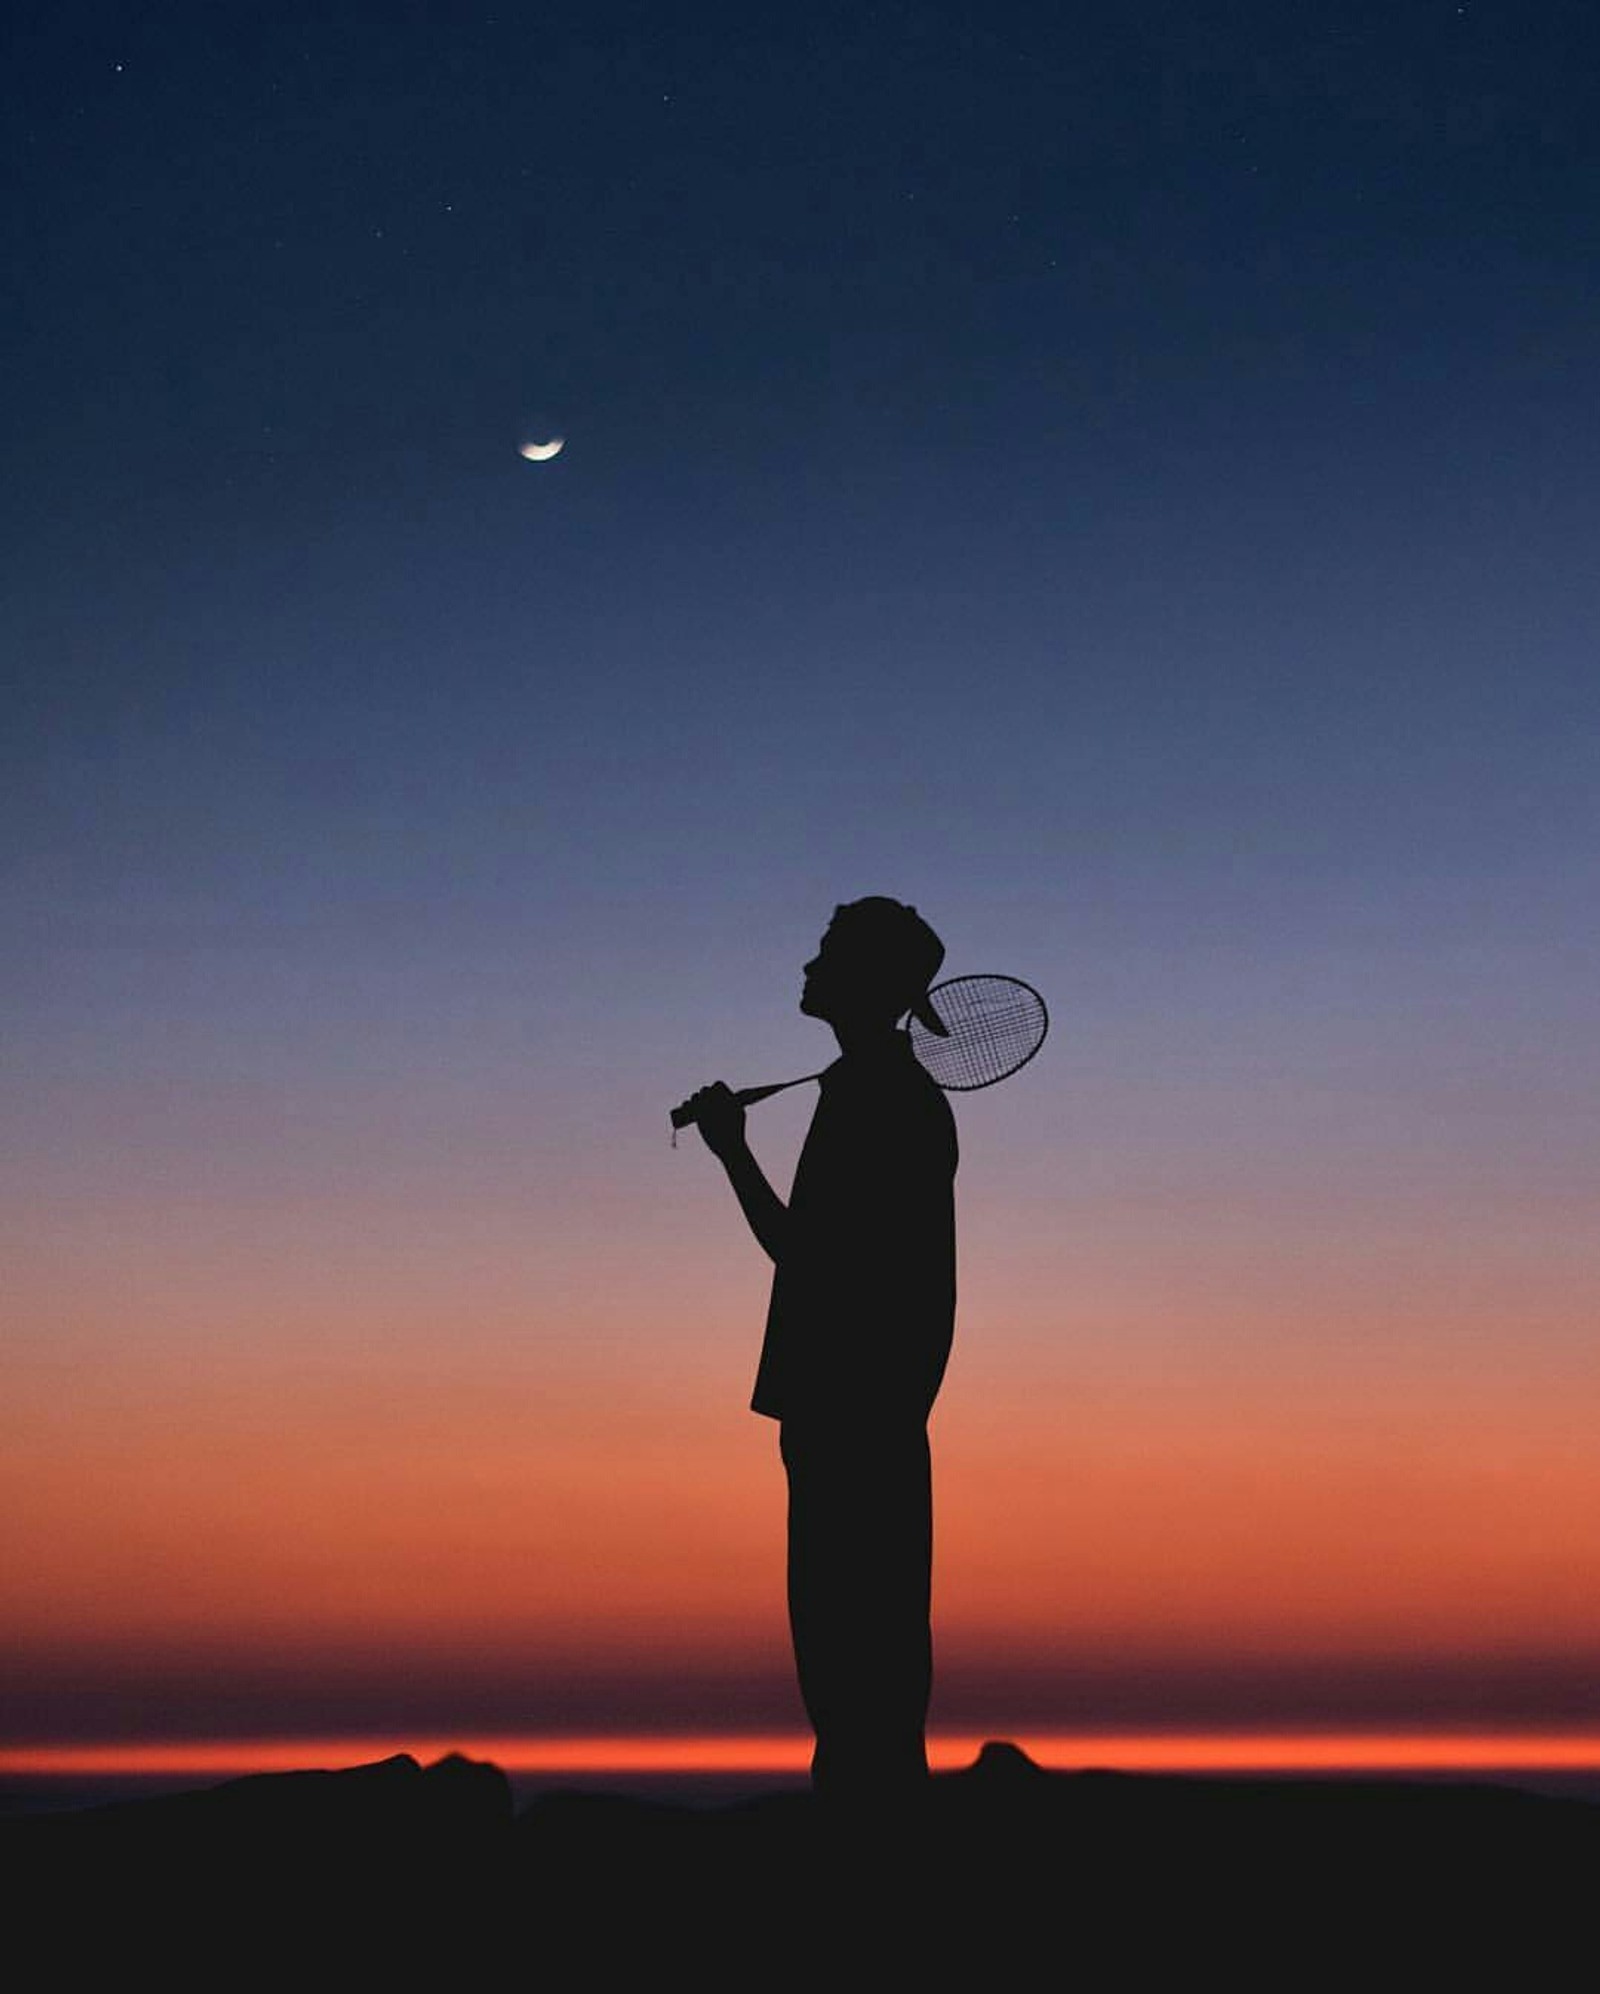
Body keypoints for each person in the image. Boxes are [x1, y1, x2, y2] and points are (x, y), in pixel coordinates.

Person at [677, 898, 958, 1806]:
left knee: (854, 1691)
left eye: (828, 954)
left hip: (852, 1424)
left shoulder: (881, 1099)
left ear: (869, 981)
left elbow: (810, 1258)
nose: (808, 967)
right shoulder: (873, 1090)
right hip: (856, 1421)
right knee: (860, 1692)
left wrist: (730, 1153)